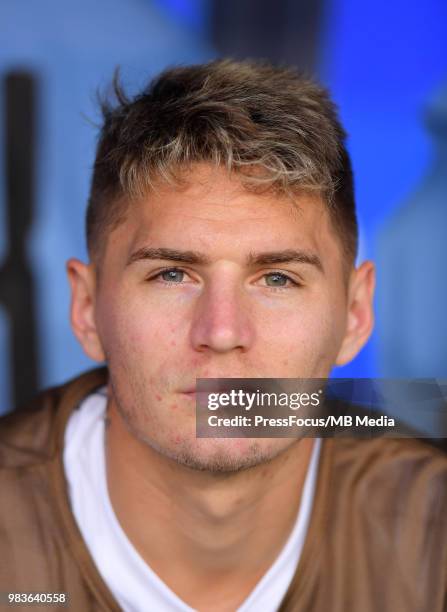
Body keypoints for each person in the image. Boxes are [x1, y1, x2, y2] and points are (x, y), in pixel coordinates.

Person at [0, 59, 446, 612]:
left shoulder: (434, 531)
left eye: (277, 278)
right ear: (87, 307)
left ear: (355, 313)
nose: (222, 331)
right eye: (171, 274)